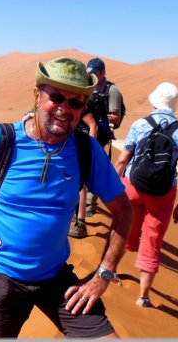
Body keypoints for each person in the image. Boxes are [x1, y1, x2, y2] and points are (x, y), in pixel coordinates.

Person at [0, 56, 133, 338]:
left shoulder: (87, 150)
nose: (64, 109)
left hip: (57, 280)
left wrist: (103, 274)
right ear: (37, 96)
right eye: (56, 97)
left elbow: (123, 211)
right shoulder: (2, 140)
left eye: (75, 103)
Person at [113, 82, 178, 308]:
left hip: (133, 186)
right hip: (163, 193)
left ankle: (110, 271)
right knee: (153, 240)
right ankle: (143, 296)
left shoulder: (140, 125)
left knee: (123, 229)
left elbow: (122, 159)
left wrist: (111, 187)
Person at [69, 57, 125, 239]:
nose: (90, 76)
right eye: (88, 73)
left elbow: (115, 117)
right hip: (81, 134)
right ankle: (82, 210)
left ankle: (85, 214)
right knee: (82, 177)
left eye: (93, 73)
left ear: (102, 73)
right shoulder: (87, 88)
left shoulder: (112, 91)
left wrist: (100, 121)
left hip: (96, 137)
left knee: (86, 177)